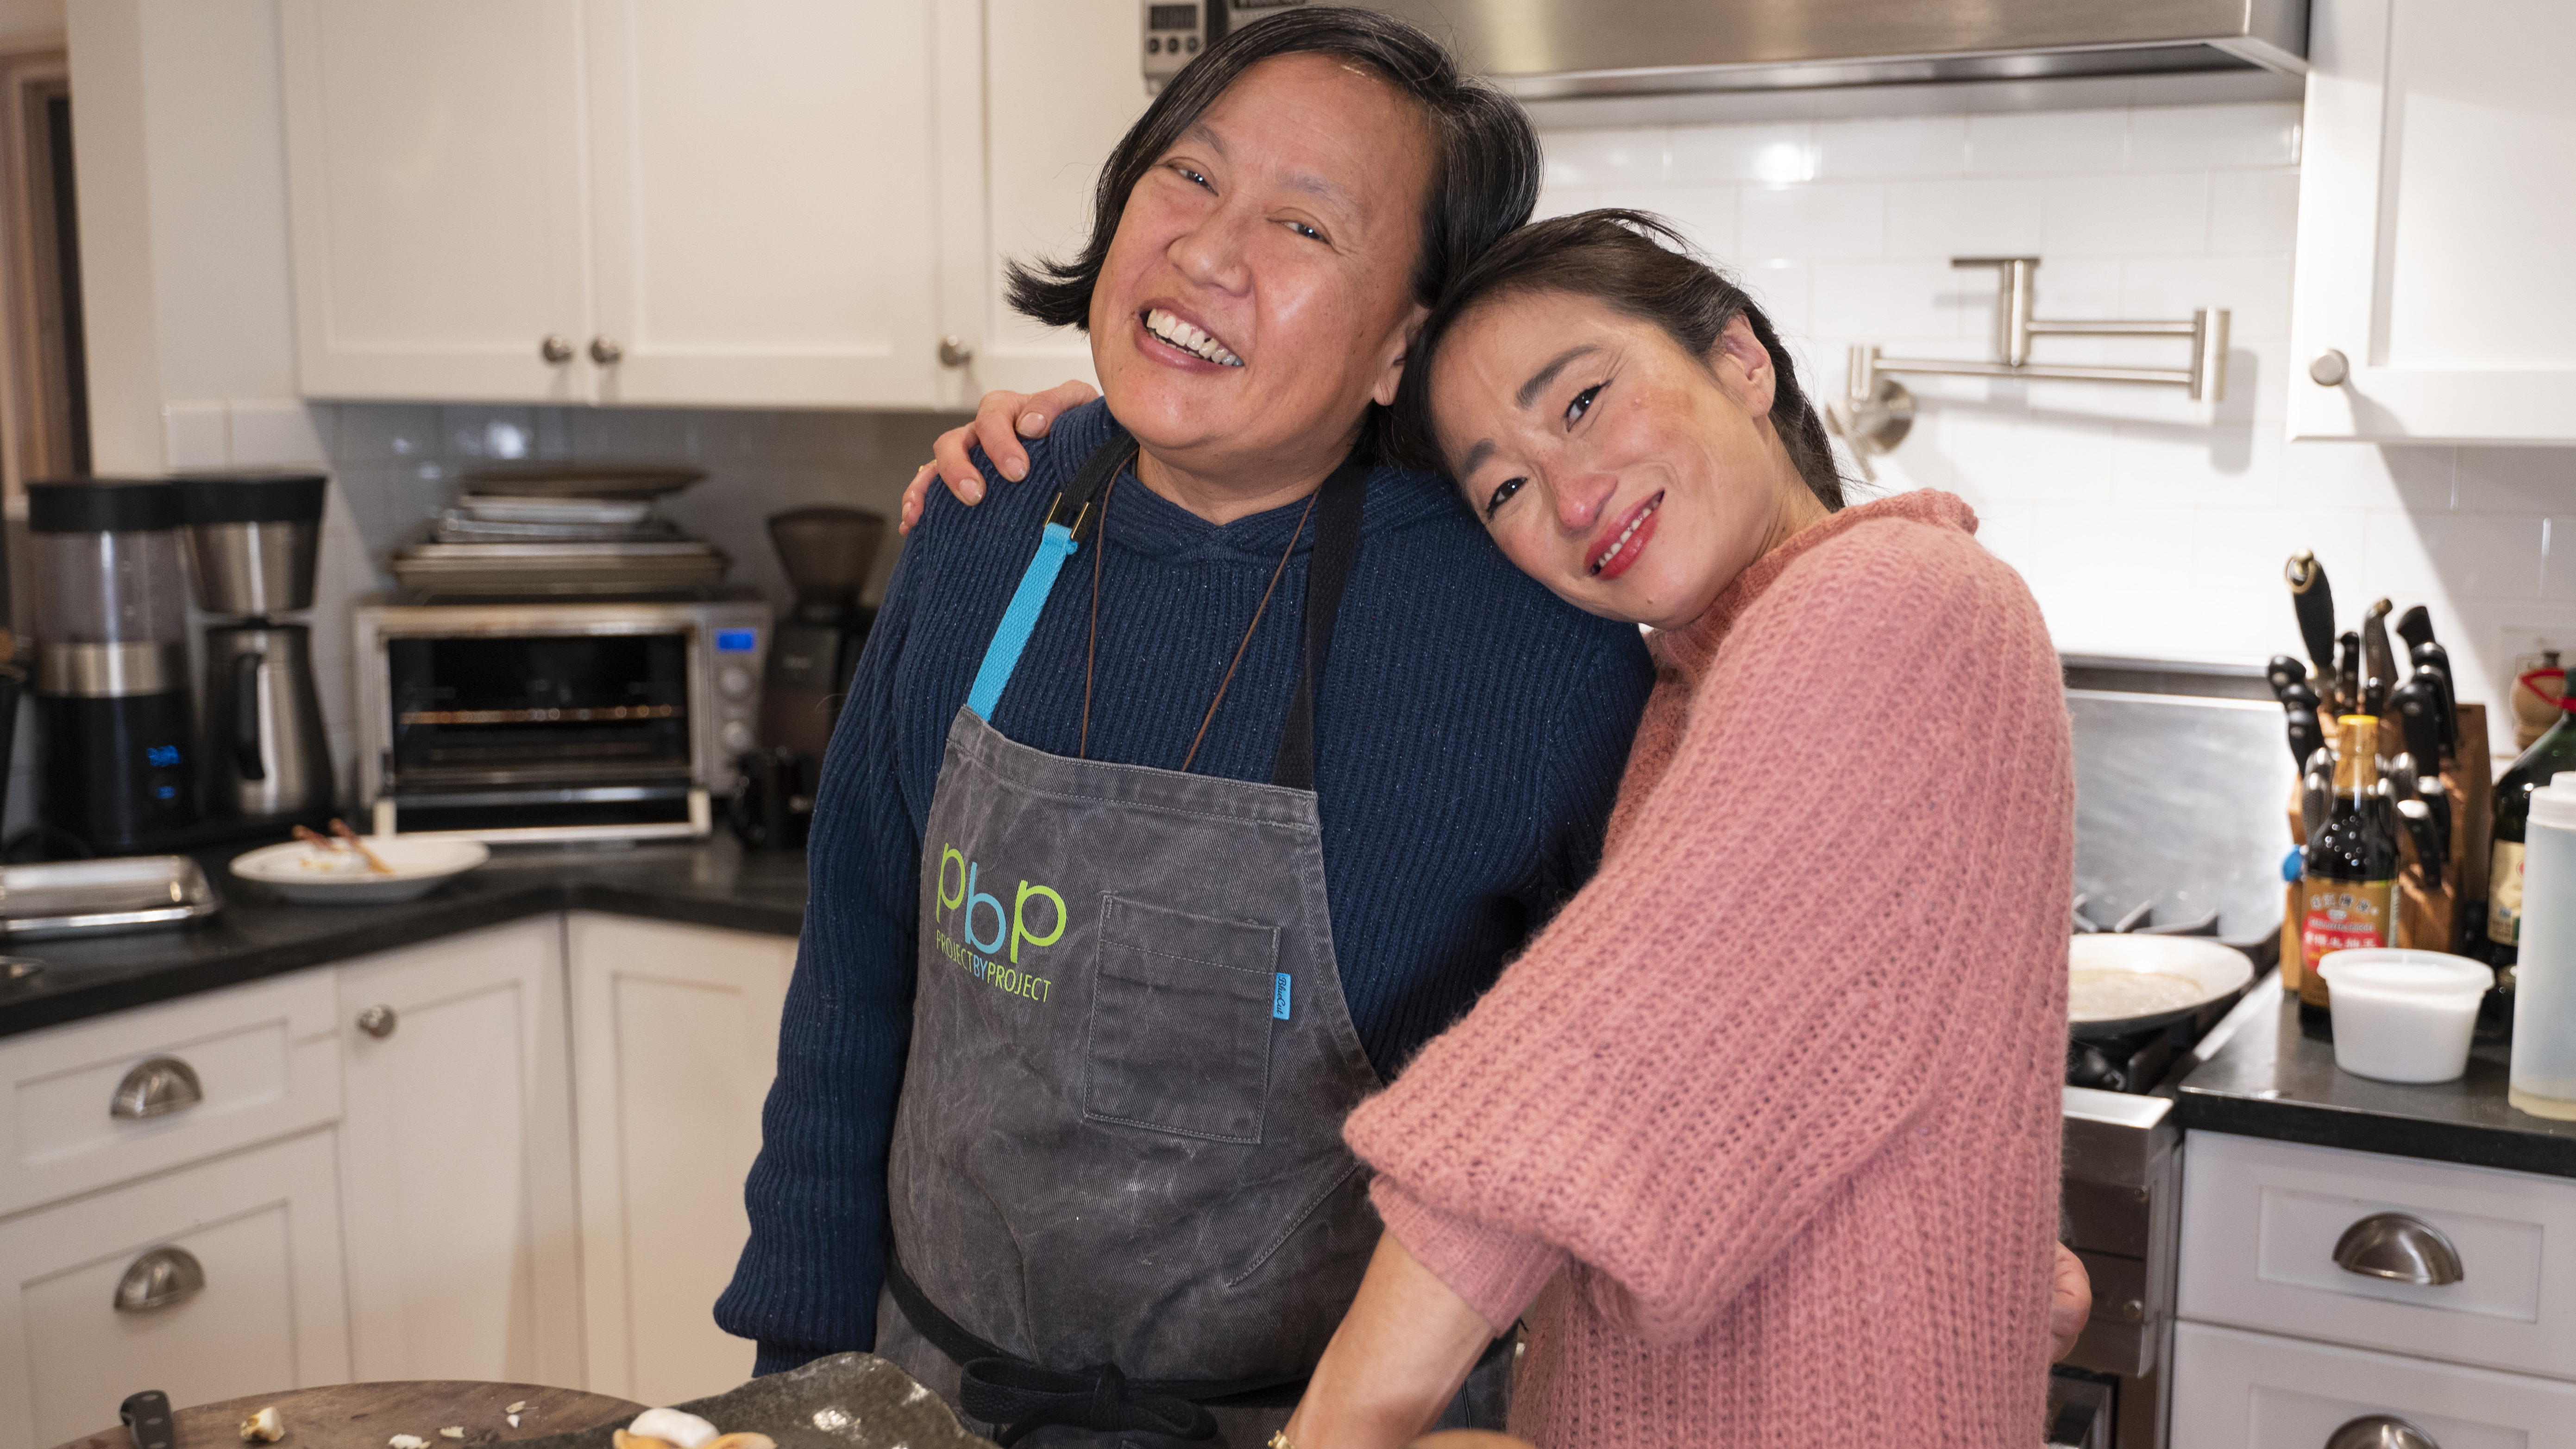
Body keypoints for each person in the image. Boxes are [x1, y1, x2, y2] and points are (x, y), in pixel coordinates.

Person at [713, 12, 1656, 1446]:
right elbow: (854, 977)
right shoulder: (985, 518)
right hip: (930, 1404)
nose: (1211, 251)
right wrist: (799, 1388)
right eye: (1188, 177)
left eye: (1304, 226)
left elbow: (1637, 1099)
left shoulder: (1523, 638)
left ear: (1405, 343)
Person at [1244, 211, 2077, 1449]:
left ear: (1743, 362)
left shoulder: (1902, 594)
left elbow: (1594, 1055)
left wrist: (1336, 1434)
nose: (1571, 497)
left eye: (1581, 402)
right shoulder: (1691, 699)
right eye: (1507, 488)